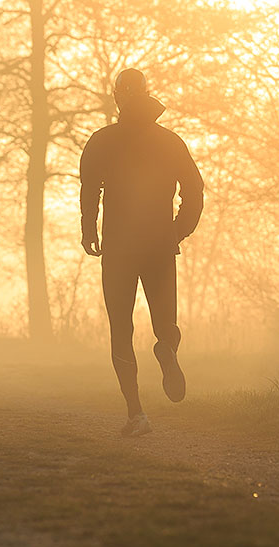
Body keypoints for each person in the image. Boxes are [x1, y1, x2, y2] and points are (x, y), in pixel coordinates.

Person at [79, 68, 204, 437]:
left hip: (119, 247)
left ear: (118, 98)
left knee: (121, 329)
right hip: (159, 246)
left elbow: (90, 191)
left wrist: (89, 232)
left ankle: (137, 415)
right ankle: (166, 347)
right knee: (167, 323)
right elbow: (194, 190)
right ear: (148, 95)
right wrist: (177, 231)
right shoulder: (170, 141)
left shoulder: (101, 141)